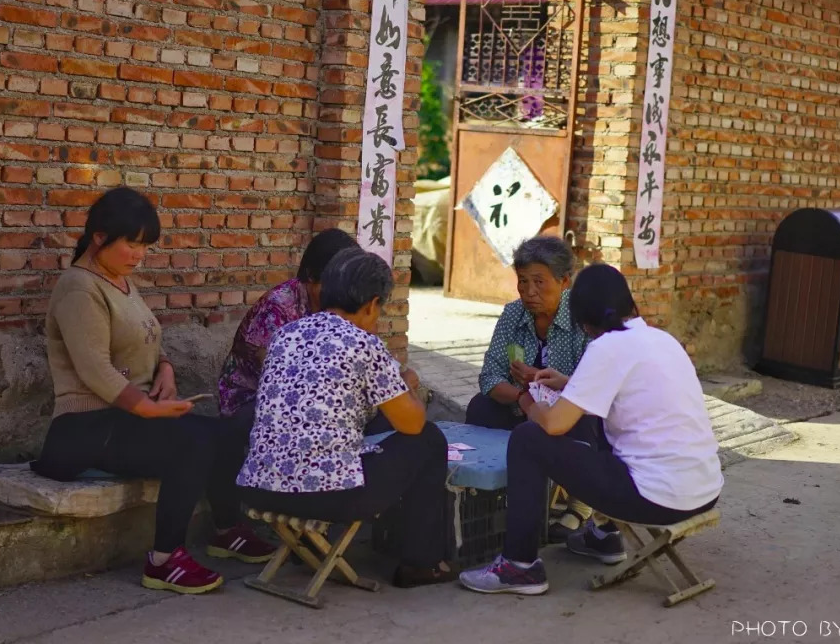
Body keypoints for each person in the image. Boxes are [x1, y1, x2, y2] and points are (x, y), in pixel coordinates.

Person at [32, 187, 273, 596]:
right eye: (131, 243)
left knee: (226, 431)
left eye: (145, 245)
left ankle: (227, 529)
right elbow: (94, 369)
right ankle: (164, 560)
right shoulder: (79, 287)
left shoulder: (120, 282)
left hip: (123, 420)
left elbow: (146, 339)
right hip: (83, 429)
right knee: (192, 442)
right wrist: (145, 407)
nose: (138, 254)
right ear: (99, 238)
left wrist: (165, 370)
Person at [459, 264, 723, 595]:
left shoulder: (606, 347)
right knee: (601, 419)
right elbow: (628, 392)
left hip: (657, 498)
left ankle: (519, 565)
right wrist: (571, 383)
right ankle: (604, 535)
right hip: (705, 491)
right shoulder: (661, 339)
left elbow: (554, 424)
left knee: (529, 439)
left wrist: (527, 399)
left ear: (584, 320)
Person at [238, 247, 457, 588]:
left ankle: (305, 546)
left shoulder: (286, 335)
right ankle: (421, 562)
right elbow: (411, 424)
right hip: (326, 497)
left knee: (361, 432)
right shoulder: (364, 344)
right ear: (372, 304)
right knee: (428, 440)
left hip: (260, 489)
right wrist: (406, 385)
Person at [465, 235, 594, 539]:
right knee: (480, 407)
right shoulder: (514, 314)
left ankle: (580, 502)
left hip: (565, 413)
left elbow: (589, 385)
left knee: (588, 418)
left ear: (564, 282)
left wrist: (543, 381)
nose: (529, 292)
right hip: (522, 409)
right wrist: (523, 397)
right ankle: (491, 490)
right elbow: (490, 376)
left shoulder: (583, 320)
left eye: (539, 282)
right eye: (523, 282)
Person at [218, 228, 358, 424]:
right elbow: (278, 381)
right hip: (251, 403)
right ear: (310, 275)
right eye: (332, 283)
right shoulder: (276, 308)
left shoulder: (337, 305)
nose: (339, 291)